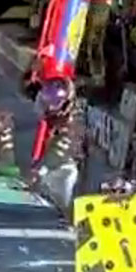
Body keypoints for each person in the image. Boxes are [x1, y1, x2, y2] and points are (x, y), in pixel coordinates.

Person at [31, 77, 87, 213]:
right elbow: (40, 144)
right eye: (49, 102)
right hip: (48, 168)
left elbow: (71, 149)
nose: (51, 106)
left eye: (56, 102)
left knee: (63, 207)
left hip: (67, 168)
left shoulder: (75, 120)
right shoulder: (47, 119)